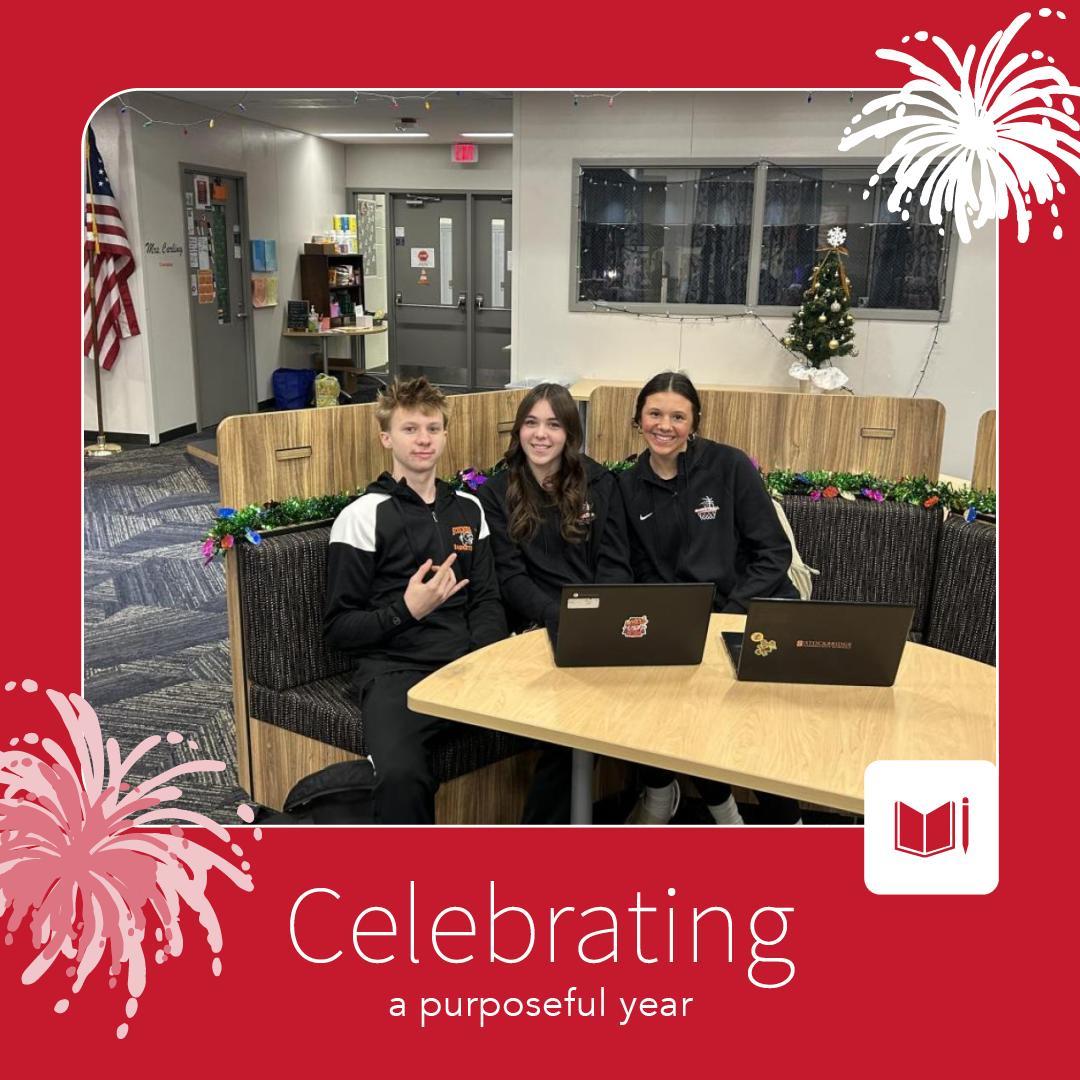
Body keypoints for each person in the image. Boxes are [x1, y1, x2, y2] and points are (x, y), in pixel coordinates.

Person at [617, 371, 802, 826]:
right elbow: (641, 569)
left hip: (751, 610)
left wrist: (729, 616)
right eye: (655, 414)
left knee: (754, 717)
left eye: (678, 417)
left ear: (694, 422)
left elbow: (773, 553)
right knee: (658, 689)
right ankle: (719, 812)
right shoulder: (628, 486)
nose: (665, 426)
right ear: (638, 418)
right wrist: (677, 623)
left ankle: (789, 825)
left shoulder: (729, 466)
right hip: (688, 622)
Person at [323, 377, 507, 824]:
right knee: (401, 776)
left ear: (444, 435)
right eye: (410, 429)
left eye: (432, 428)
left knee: (558, 730)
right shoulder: (361, 517)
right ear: (386, 438)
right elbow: (339, 628)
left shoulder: (468, 508)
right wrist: (407, 611)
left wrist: (482, 659)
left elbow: (486, 599)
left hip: (465, 664)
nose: (423, 439)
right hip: (395, 672)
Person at [479, 382, 632, 822]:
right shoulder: (496, 492)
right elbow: (510, 578)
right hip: (535, 627)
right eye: (531, 423)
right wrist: (560, 618)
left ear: (569, 433)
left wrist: (597, 619)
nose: (541, 435)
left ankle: (655, 794)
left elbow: (615, 562)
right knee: (575, 726)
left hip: (598, 625)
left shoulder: (599, 482)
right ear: (518, 430)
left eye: (553, 424)